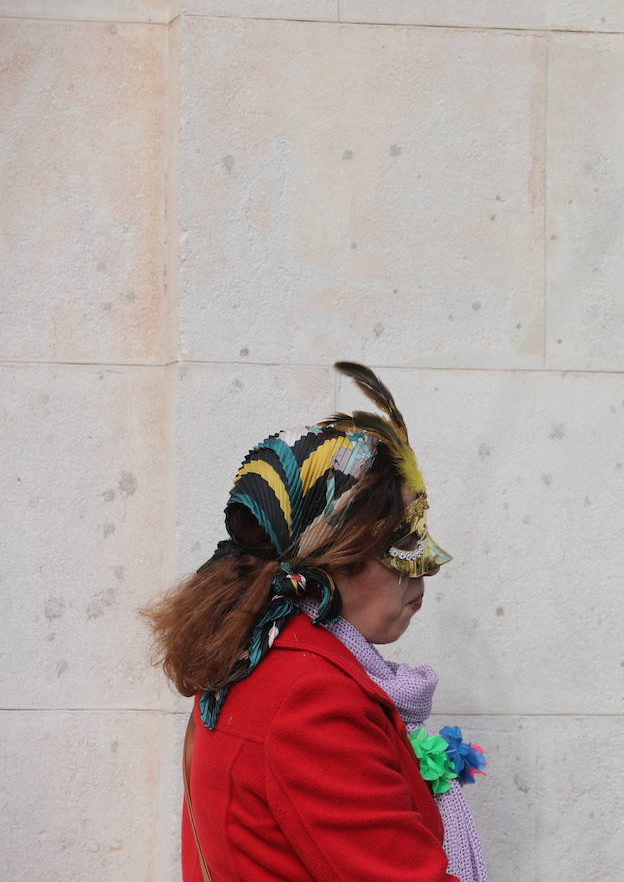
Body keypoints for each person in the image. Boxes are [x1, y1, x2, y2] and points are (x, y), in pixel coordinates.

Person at [146, 362, 486, 881]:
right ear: (339, 554)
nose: (430, 568)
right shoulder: (313, 699)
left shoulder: (257, 660)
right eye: (403, 540)